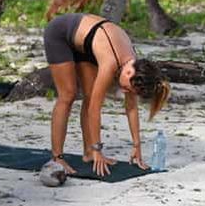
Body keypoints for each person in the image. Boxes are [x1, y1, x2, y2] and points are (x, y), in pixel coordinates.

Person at [43, 13, 171, 177]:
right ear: (129, 71)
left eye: (130, 91)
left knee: (89, 96)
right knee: (68, 95)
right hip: (60, 33)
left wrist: (137, 147)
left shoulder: (134, 67)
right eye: (127, 88)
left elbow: (131, 107)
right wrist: (99, 149)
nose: (125, 91)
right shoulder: (111, 63)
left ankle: (88, 152)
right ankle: (57, 157)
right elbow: (95, 109)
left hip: (87, 44)